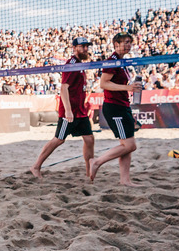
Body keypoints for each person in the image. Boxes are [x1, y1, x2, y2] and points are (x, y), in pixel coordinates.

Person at [30, 37, 95, 178]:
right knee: (59, 139)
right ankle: (36, 166)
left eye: (86, 46)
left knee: (89, 139)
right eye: (82, 46)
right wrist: (68, 110)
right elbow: (64, 89)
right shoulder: (71, 64)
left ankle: (89, 171)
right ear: (74, 48)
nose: (85, 49)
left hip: (80, 111)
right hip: (70, 111)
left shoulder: (80, 65)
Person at [89, 33, 143, 186]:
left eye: (130, 42)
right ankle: (97, 162)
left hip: (123, 105)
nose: (128, 45)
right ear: (115, 44)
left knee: (127, 145)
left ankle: (125, 180)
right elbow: (104, 84)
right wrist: (128, 87)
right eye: (125, 42)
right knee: (129, 145)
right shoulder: (112, 61)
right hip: (115, 107)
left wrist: (131, 88)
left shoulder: (122, 62)